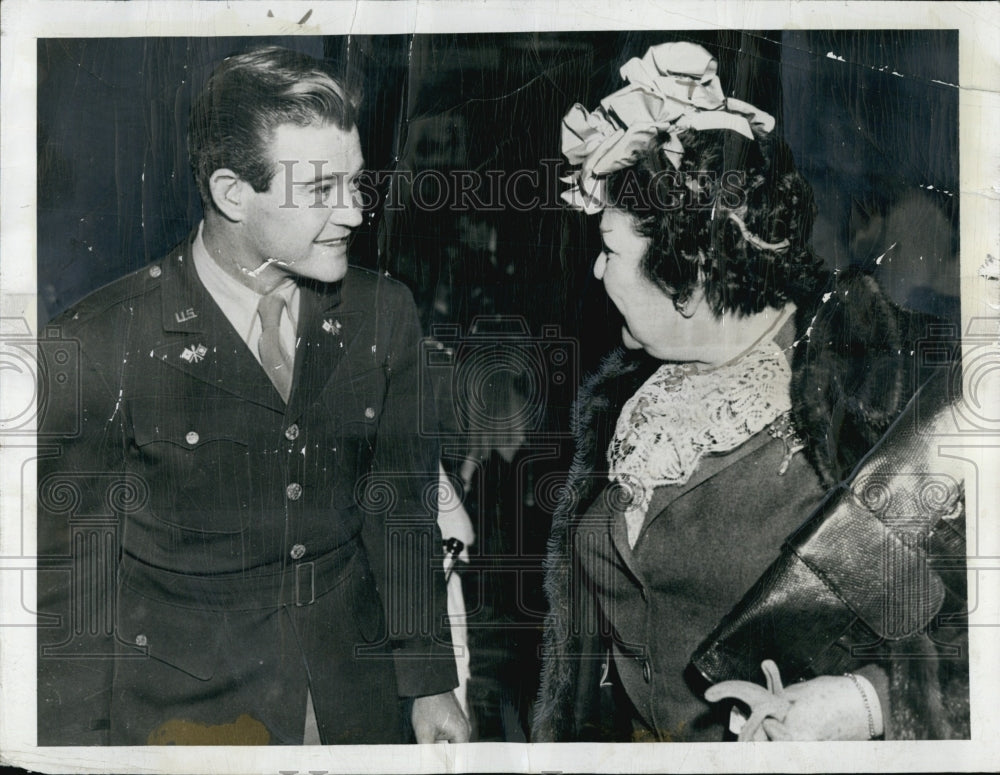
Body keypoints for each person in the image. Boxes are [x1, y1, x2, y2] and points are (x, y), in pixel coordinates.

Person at [533, 42, 968, 742]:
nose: (595, 270)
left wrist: (864, 701)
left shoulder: (873, 403)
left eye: (610, 248)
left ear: (687, 278)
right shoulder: (633, 392)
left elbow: (969, 631)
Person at [36, 45, 469, 746]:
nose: (355, 212)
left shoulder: (384, 313)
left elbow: (402, 510)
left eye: (356, 182)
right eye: (321, 189)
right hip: (187, 722)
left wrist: (429, 682)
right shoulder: (97, 342)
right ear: (233, 193)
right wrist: (76, 751)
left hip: (354, 702)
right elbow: (70, 596)